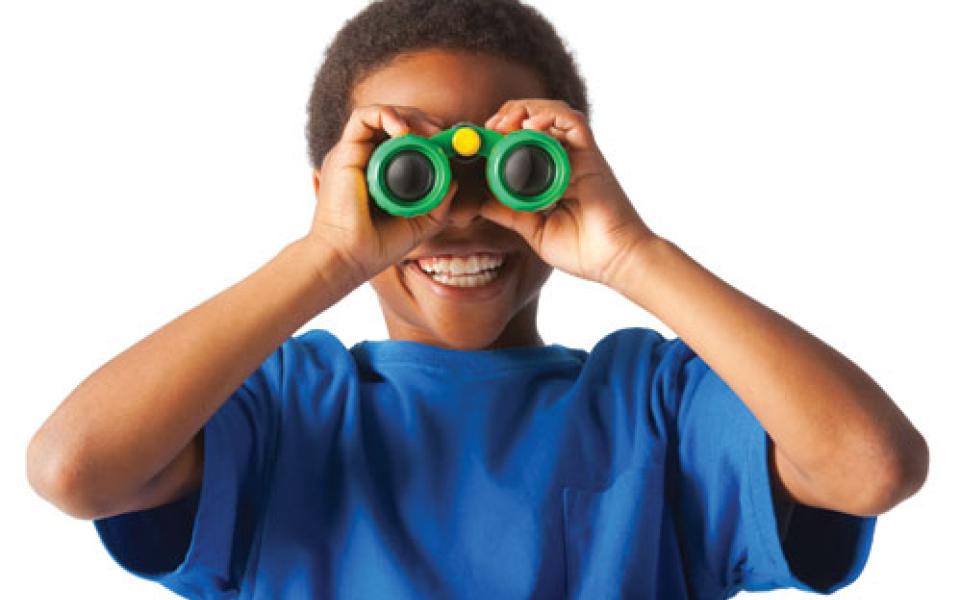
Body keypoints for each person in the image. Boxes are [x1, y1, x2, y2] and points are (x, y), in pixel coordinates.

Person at [26, 1, 928, 598]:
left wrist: (631, 254)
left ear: (572, 174)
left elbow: (871, 469)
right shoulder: (283, 406)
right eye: (405, 180)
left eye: (513, 173)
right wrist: (326, 257)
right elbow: (75, 469)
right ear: (334, 190)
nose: (456, 218)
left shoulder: (656, 402)